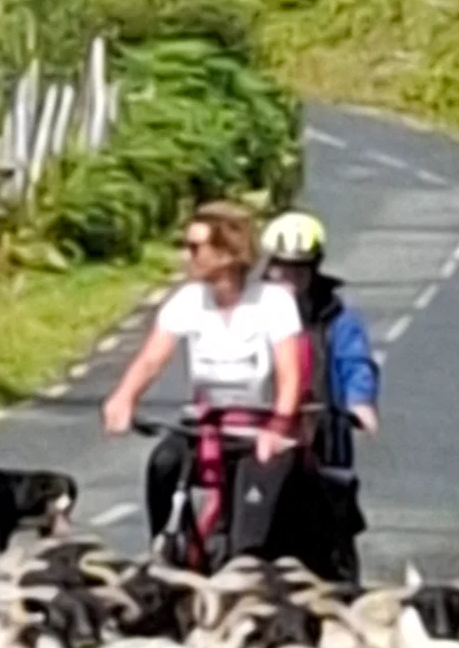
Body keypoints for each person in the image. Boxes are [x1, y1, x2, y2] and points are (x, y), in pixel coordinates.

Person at [101, 201, 308, 554]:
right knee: (164, 464)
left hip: (258, 431)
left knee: (250, 531)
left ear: (227, 253)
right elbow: (152, 358)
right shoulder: (188, 301)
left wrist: (278, 428)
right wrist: (124, 397)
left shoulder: (273, 303)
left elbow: (291, 375)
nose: (187, 256)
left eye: (195, 248)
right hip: (205, 427)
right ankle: (165, 547)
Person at [260, 209, 380, 580]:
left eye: (300, 269)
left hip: (318, 430)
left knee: (332, 501)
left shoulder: (337, 317)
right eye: (282, 269)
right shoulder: (250, 310)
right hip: (255, 426)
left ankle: (340, 571)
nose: (290, 279)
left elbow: (354, 361)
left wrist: (359, 401)